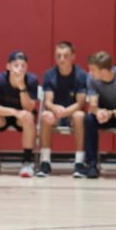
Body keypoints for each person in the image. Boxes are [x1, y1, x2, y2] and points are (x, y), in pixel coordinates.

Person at [37, 42, 87, 177]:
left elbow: (80, 103)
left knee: (79, 116)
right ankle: (45, 162)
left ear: (73, 56)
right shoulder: (49, 74)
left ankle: (79, 163)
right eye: (59, 55)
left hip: (72, 114)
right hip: (55, 114)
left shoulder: (81, 75)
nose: (61, 59)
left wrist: (65, 112)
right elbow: (48, 101)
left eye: (65, 55)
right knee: (45, 115)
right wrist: (54, 109)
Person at [84, 51, 116, 179]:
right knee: (89, 120)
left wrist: (110, 113)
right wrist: (98, 112)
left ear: (104, 71)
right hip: (103, 114)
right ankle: (92, 165)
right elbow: (93, 105)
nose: (89, 72)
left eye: (93, 69)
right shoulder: (91, 78)